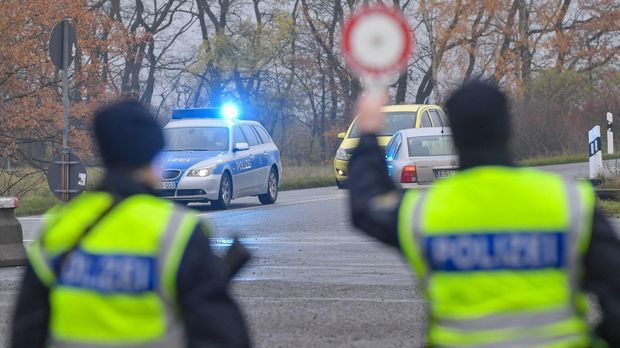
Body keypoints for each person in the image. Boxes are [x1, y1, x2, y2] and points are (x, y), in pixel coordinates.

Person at [348, 80, 620, 347]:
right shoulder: (568, 201)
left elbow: (367, 203)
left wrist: (369, 132)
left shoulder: (424, 212)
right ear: (508, 129)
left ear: (453, 134)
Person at [11, 100, 251, 348]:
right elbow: (221, 334)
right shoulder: (175, 230)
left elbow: (27, 329)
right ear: (155, 157)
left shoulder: (58, 225)